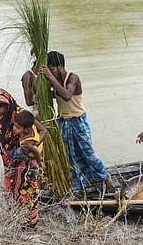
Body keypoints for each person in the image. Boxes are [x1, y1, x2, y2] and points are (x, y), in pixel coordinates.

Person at [40, 51, 116, 194]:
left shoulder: (72, 78)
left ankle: (106, 177)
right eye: (49, 69)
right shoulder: (54, 81)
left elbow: (67, 96)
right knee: (70, 156)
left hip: (78, 121)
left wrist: (50, 77)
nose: (51, 72)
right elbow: (48, 95)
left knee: (88, 153)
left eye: (53, 68)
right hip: (63, 122)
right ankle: (77, 185)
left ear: (61, 66)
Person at [0, 88, 47, 196]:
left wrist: (32, 145)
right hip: (7, 155)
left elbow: (43, 130)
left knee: (27, 184)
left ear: (7, 105)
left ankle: (29, 210)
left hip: (23, 155)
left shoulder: (21, 115)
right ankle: (14, 208)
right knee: (10, 183)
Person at [9, 109, 45, 229]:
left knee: (27, 189)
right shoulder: (32, 126)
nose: (14, 128)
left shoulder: (27, 143)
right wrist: (34, 115)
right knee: (29, 187)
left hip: (29, 165)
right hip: (31, 161)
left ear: (26, 129)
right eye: (14, 125)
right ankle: (27, 216)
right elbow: (44, 130)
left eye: (17, 127)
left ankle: (30, 219)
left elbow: (34, 150)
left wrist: (39, 161)